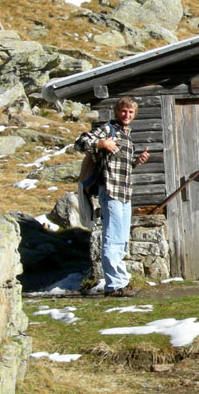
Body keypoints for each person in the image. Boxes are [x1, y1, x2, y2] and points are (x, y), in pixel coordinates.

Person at [75, 96, 149, 297]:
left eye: (131, 112)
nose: (127, 115)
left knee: (122, 239)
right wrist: (101, 144)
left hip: (124, 193)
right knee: (113, 238)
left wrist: (136, 161)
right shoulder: (108, 130)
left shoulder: (127, 135)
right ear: (117, 112)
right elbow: (80, 142)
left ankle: (121, 283)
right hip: (110, 191)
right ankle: (113, 286)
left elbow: (119, 166)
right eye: (124, 111)